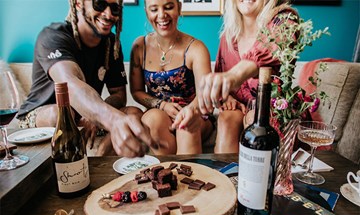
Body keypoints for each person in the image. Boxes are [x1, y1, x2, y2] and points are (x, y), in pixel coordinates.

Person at [17, 0, 160, 157]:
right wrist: (109, 118)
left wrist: (94, 116)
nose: (108, 14)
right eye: (99, 4)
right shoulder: (53, 36)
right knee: (61, 114)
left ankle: (99, 160)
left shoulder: (112, 44)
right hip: (43, 114)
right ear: (78, 3)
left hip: (85, 112)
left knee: (133, 113)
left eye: (114, 8)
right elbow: (69, 85)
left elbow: (119, 96)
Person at [197, 0, 298, 153]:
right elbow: (221, 79)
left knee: (255, 119)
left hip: (273, 113)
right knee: (226, 118)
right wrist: (226, 97)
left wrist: (233, 76)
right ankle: (225, 173)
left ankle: (261, 175)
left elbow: (272, 46)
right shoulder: (229, 36)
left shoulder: (285, 19)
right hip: (239, 112)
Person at [129, 0, 214, 155]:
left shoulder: (196, 48)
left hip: (195, 114)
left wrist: (188, 111)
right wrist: (162, 105)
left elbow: (205, 96)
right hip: (159, 115)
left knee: (186, 125)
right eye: (154, 9)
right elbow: (136, 91)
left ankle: (189, 176)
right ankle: (164, 175)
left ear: (179, 8)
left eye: (168, 7)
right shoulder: (139, 47)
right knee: (153, 119)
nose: (162, 15)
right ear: (147, 12)